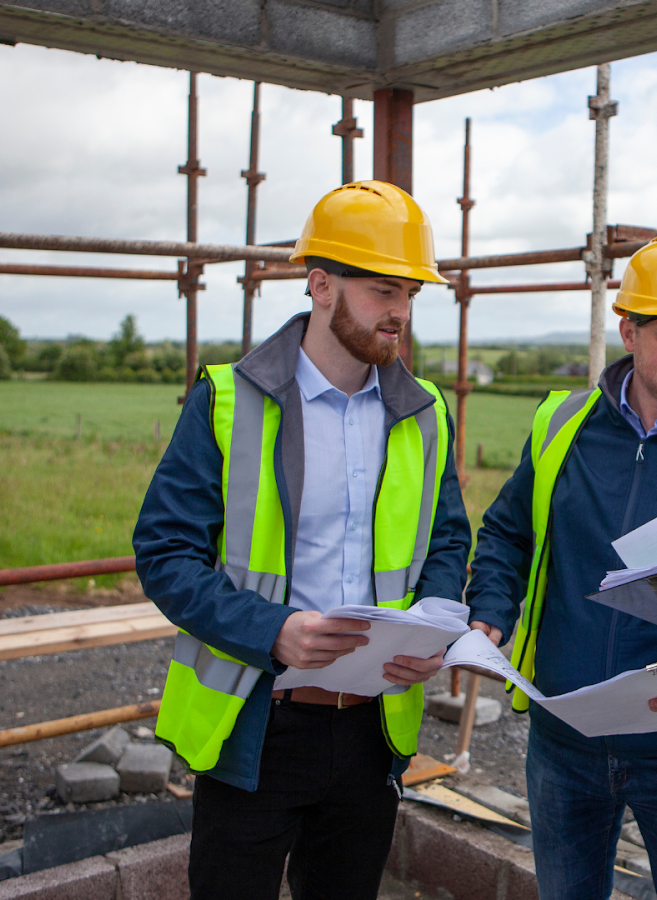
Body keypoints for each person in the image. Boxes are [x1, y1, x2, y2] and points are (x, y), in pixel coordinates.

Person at [133, 181, 471, 900]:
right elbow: (164, 553)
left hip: (371, 733)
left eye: (409, 293)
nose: (401, 313)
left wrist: (437, 617)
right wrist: (274, 630)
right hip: (257, 726)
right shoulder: (228, 398)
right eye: (383, 290)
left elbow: (446, 537)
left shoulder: (425, 411)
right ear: (321, 285)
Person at [465, 233, 657, 900]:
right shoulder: (561, 426)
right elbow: (505, 532)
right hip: (563, 739)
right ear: (628, 327)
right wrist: (490, 615)